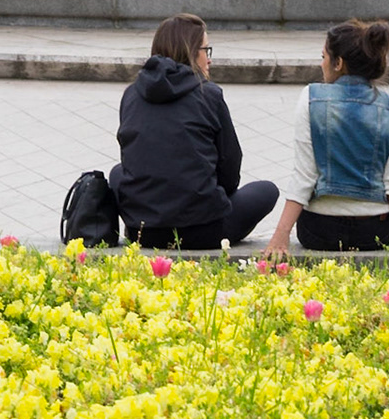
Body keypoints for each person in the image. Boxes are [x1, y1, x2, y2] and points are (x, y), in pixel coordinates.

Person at [261, 20, 389, 261]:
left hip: (318, 231)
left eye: (324, 56)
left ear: (339, 63)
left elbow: (304, 177)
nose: (322, 63)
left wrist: (279, 236)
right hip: (376, 233)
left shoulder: (310, 98)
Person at [111, 13, 278, 248]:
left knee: (117, 172)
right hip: (205, 230)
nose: (209, 60)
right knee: (267, 191)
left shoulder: (131, 94)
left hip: (144, 230)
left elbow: (133, 157)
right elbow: (230, 166)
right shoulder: (208, 94)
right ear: (190, 51)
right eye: (205, 50)